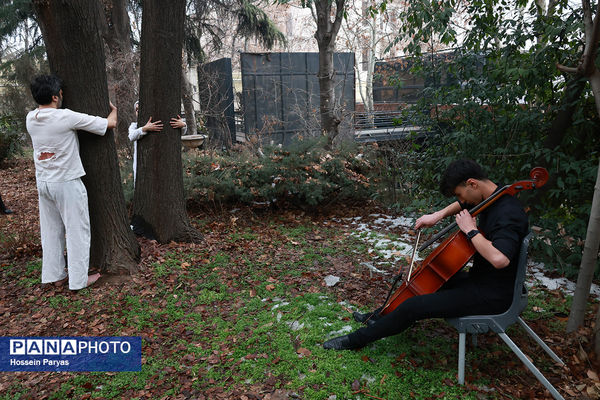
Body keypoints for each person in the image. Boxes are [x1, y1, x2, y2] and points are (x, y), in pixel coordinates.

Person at [323, 159, 529, 350]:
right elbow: (463, 204)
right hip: (480, 281)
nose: (461, 200)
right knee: (426, 280)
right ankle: (379, 317)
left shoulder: (508, 212)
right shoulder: (492, 195)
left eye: (460, 194)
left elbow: (500, 259)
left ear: (472, 184)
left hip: (493, 295)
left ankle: (355, 340)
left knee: (415, 305)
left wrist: (470, 230)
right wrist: (437, 216)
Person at [26, 74, 115, 290]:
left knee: (50, 231)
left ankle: (54, 275)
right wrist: (114, 109)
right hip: (66, 182)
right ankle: (78, 280)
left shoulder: (31, 118)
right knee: (77, 230)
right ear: (56, 97)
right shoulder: (65, 117)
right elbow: (109, 124)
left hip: (44, 183)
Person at [128, 101, 187, 183]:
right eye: (136, 110)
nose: (138, 111)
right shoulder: (134, 125)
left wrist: (183, 125)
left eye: (140, 109)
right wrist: (144, 129)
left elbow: (181, 132)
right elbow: (131, 136)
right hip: (142, 167)